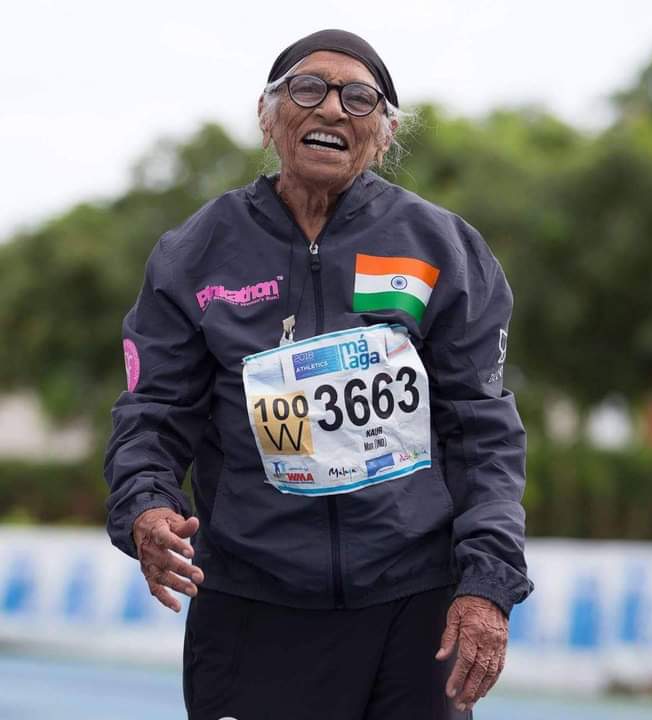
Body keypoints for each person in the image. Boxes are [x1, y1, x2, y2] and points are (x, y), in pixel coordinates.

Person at [104, 28, 533, 720]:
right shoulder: (195, 253)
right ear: (268, 117)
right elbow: (151, 414)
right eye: (308, 88)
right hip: (251, 603)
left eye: (359, 98)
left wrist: (487, 582)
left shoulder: (441, 249)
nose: (332, 109)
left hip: (412, 603)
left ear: (384, 136)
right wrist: (146, 508)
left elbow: (485, 434)